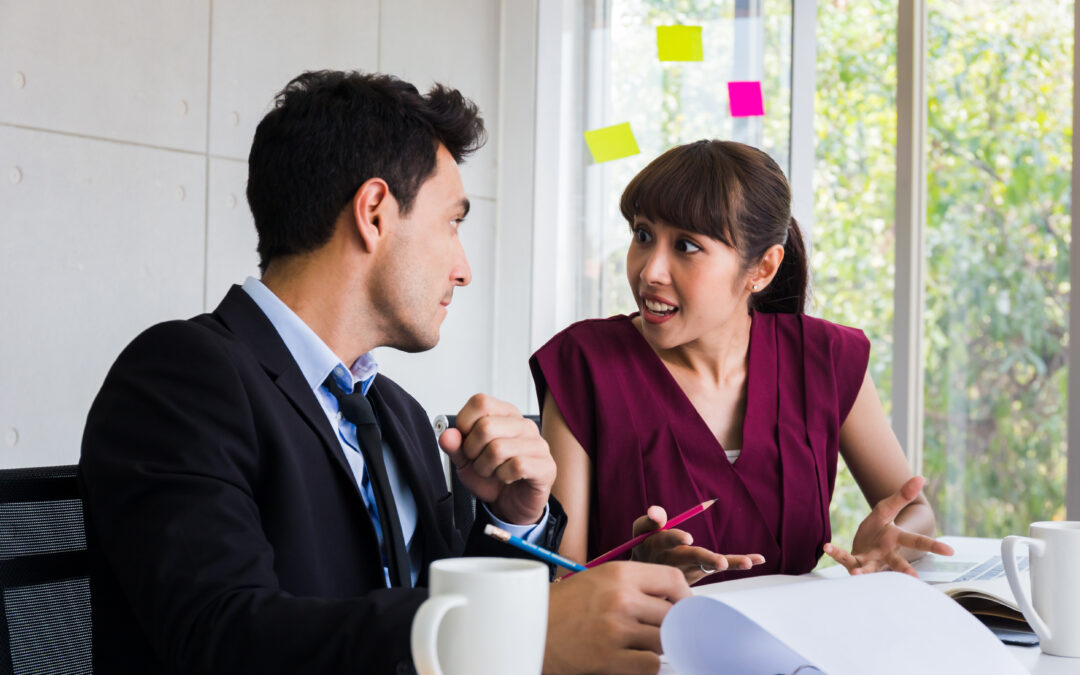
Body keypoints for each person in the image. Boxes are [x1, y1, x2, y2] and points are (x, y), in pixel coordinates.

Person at [79, 70, 690, 675]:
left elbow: (430, 609)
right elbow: (222, 639)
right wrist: (516, 632)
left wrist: (512, 518)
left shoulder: (390, 410)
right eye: (452, 223)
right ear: (373, 212)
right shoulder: (180, 378)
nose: (463, 268)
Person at [531, 139, 953, 586]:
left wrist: (892, 540)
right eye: (643, 235)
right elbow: (565, 585)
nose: (649, 271)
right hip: (645, 650)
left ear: (764, 268)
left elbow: (910, 507)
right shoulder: (583, 364)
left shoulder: (825, 358)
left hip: (794, 649)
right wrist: (637, 575)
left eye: (687, 246)